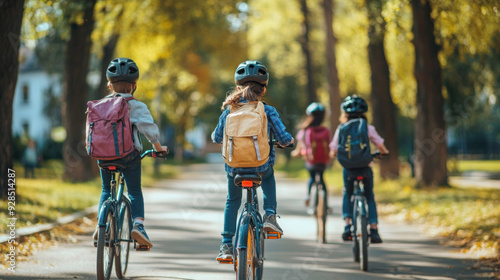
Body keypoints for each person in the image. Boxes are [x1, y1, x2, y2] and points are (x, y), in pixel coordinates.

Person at [212, 60, 294, 261]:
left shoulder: (229, 110)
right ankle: (270, 216)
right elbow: (283, 138)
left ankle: (226, 246)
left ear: (238, 87)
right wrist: (288, 141)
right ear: (263, 89)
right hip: (260, 166)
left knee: (232, 200)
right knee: (269, 177)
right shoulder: (267, 110)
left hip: (234, 169)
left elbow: (216, 137)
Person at [92, 58, 168, 248]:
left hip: (103, 156)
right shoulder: (137, 106)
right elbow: (150, 130)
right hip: (128, 156)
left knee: (105, 190)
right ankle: (138, 226)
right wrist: (158, 148)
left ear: (109, 85)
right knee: (134, 190)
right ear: (134, 86)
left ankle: (102, 224)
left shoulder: (100, 105)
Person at [329, 95, 389, 244]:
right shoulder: (367, 127)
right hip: (365, 168)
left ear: (344, 114)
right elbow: (379, 144)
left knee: (347, 193)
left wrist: (334, 154)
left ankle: (348, 227)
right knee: (369, 196)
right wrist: (383, 152)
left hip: (349, 169)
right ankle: (374, 229)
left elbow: (333, 149)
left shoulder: (341, 128)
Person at [291, 103, 332, 207]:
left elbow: (299, 147)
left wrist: (296, 153)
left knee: (312, 177)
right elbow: (330, 145)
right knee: (322, 178)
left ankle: (308, 196)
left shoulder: (305, 130)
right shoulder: (326, 130)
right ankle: (326, 206)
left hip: (311, 161)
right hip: (323, 160)